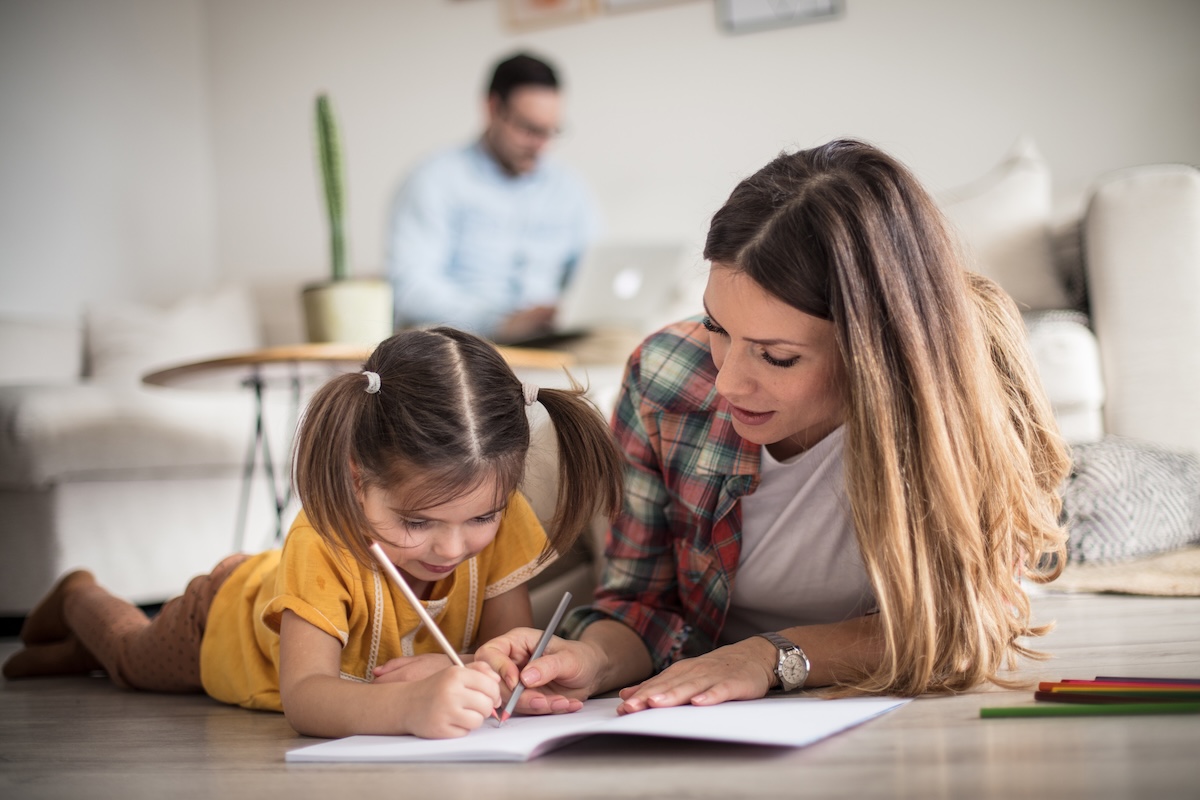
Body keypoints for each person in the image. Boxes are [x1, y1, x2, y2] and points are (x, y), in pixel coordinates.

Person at [477, 138, 1071, 716]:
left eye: (777, 357)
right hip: (715, 707)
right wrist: (589, 660)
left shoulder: (966, 392)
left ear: (873, 349)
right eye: (716, 328)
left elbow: (966, 627)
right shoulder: (664, 376)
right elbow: (644, 606)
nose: (728, 383)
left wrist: (771, 657)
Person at [2, 327, 623, 739]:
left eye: (480, 518)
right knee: (129, 660)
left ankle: (64, 656)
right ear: (358, 481)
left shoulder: (501, 518)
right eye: (416, 522)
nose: (453, 548)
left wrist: (495, 668)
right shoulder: (323, 540)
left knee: (82, 668)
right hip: (217, 624)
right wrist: (411, 706)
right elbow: (306, 696)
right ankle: (80, 594)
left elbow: (496, 645)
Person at [387, 51, 600, 344]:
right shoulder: (434, 179)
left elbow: (592, 271)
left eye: (550, 131)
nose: (540, 145)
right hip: (467, 345)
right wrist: (499, 322)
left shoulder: (569, 187)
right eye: (529, 129)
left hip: (553, 341)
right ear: (492, 108)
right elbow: (409, 289)